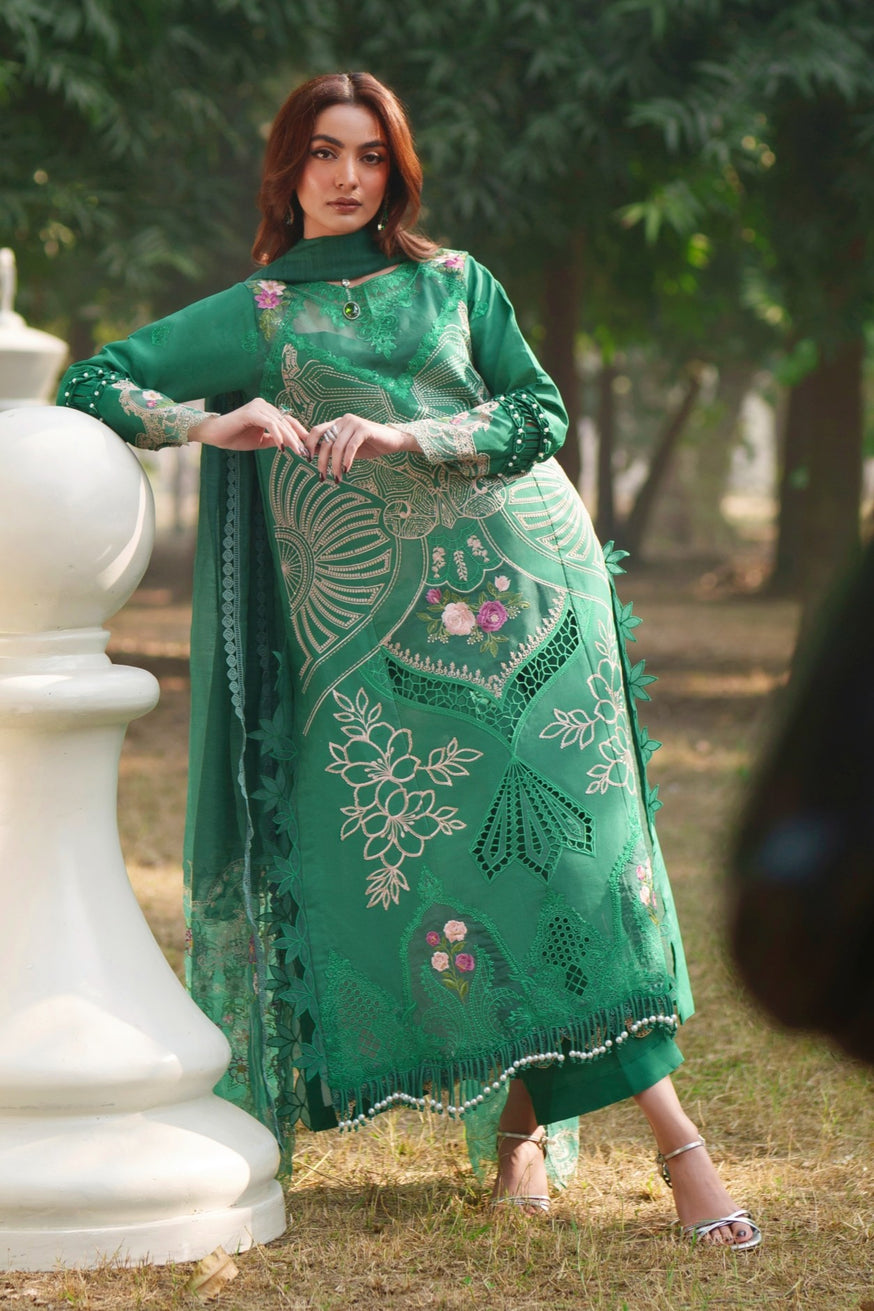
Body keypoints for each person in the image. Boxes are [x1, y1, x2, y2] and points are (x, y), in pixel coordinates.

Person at [58, 71, 760, 1248]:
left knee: (576, 873)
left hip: (537, 614)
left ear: (397, 170)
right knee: (484, 883)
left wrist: (403, 433)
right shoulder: (262, 312)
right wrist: (206, 422)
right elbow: (93, 380)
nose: (347, 177)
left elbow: (536, 414)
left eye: (370, 155)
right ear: (287, 168)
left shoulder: (454, 284)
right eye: (324, 153)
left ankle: (671, 1149)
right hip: (391, 666)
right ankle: (526, 1136)